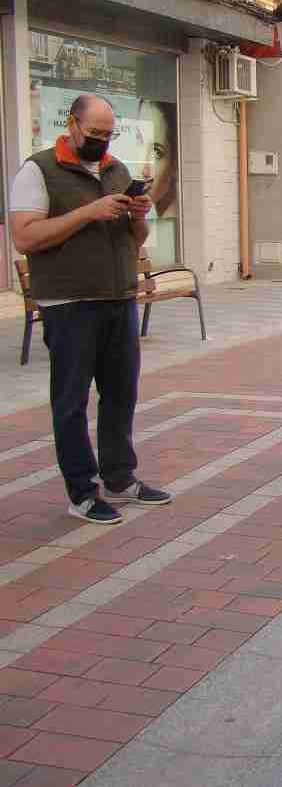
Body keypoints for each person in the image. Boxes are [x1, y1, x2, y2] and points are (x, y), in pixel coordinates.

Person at [7, 94, 173, 524]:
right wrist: (88, 212)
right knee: (71, 401)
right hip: (71, 304)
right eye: (94, 134)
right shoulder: (38, 170)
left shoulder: (116, 169)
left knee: (121, 394)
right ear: (72, 125)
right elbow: (24, 237)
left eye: (107, 134)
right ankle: (82, 491)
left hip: (119, 298)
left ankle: (120, 477)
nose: (100, 142)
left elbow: (133, 240)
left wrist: (138, 214)